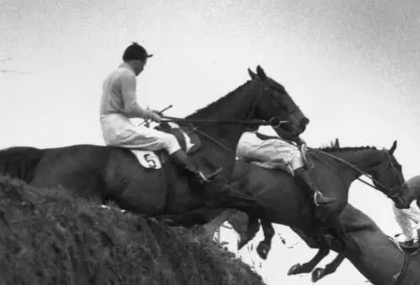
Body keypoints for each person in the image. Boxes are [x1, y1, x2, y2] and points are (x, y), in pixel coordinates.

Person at [99, 41, 221, 183]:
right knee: (169, 140)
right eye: (144, 63)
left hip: (109, 126)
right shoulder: (128, 75)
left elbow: (124, 108)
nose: (143, 68)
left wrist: (150, 112)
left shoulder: (112, 76)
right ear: (136, 62)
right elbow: (131, 108)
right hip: (119, 127)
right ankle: (196, 176)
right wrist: (152, 115)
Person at [237, 127, 335, 206]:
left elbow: (263, 135)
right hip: (248, 142)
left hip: (239, 145)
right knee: (294, 154)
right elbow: (279, 128)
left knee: (280, 160)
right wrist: (296, 139)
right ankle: (315, 195)